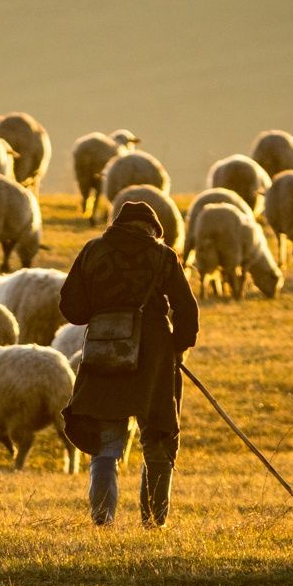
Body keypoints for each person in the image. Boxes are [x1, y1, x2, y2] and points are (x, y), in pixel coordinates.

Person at [59, 200, 199, 528]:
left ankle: (102, 518)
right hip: (154, 352)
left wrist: (104, 311)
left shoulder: (94, 251)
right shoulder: (162, 256)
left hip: (105, 348)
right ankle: (153, 520)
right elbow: (186, 308)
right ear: (152, 230)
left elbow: (72, 307)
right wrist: (177, 349)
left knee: (107, 438)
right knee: (157, 435)